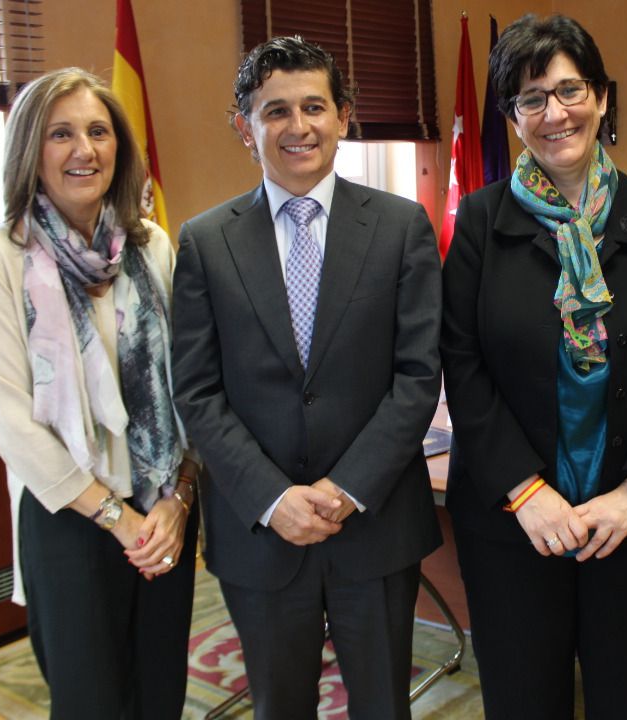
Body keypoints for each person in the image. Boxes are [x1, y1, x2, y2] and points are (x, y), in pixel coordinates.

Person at [440, 14, 627, 719]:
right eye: (532, 98)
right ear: (513, 117)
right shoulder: (480, 223)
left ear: (602, 96)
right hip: (513, 522)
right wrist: (526, 491)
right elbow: (461, 365)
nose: (555, 113)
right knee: (523, 699)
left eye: (570, 90)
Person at [171, 36, 442, 719]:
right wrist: (273, 498)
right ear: (246, 127)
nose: (299, 126)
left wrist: (346, 489)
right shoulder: (205, 241)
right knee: (279, 708)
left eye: (315, 107)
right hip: (260, 533)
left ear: (343, 116)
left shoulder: (400, 226)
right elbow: (196, 390)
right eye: (276, 111)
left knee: (383, 707)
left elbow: (418, 376)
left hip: (376, 526)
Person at [0, 68, 199, 718]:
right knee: (91, 704)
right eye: (61, 133)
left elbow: (188, 385)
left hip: (162, 508)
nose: (84, 149)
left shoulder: (151, 246)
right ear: (30, 149)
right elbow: (11, 422)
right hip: (68, 515)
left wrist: (178, 501)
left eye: (98, 131)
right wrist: (119, 520)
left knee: (161, 697)